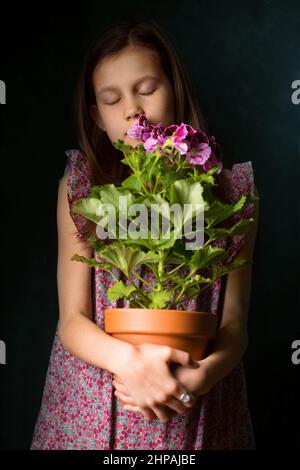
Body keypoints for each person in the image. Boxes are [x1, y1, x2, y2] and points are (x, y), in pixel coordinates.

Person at [30, 18, 259, 450]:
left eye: (148, 89)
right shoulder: (81, 189)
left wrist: (204, 375)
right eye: (112, 100)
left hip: (196, 400)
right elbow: (72, 322)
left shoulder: (232, 193)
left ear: (175, 89)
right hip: (99, 400)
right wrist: (130, 362)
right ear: (97, 117)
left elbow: (234, 324)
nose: (133, 109)